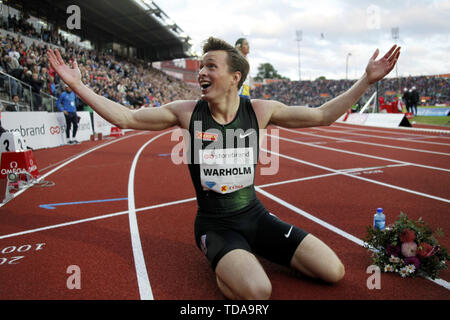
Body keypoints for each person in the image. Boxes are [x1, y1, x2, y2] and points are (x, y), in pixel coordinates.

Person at [47, 37, 400, 300]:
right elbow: (126, 116)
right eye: (200, 66)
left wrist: (367, 80)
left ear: (235, 77)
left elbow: (323, 116)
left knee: (334, 272)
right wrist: (77, 85)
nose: (201, 72)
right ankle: (225, 263)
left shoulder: (261, 111)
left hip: (256, 216)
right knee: (259, 292)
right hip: (216, 225)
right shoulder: (186, 112)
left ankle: (249, 253)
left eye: (210, 66)